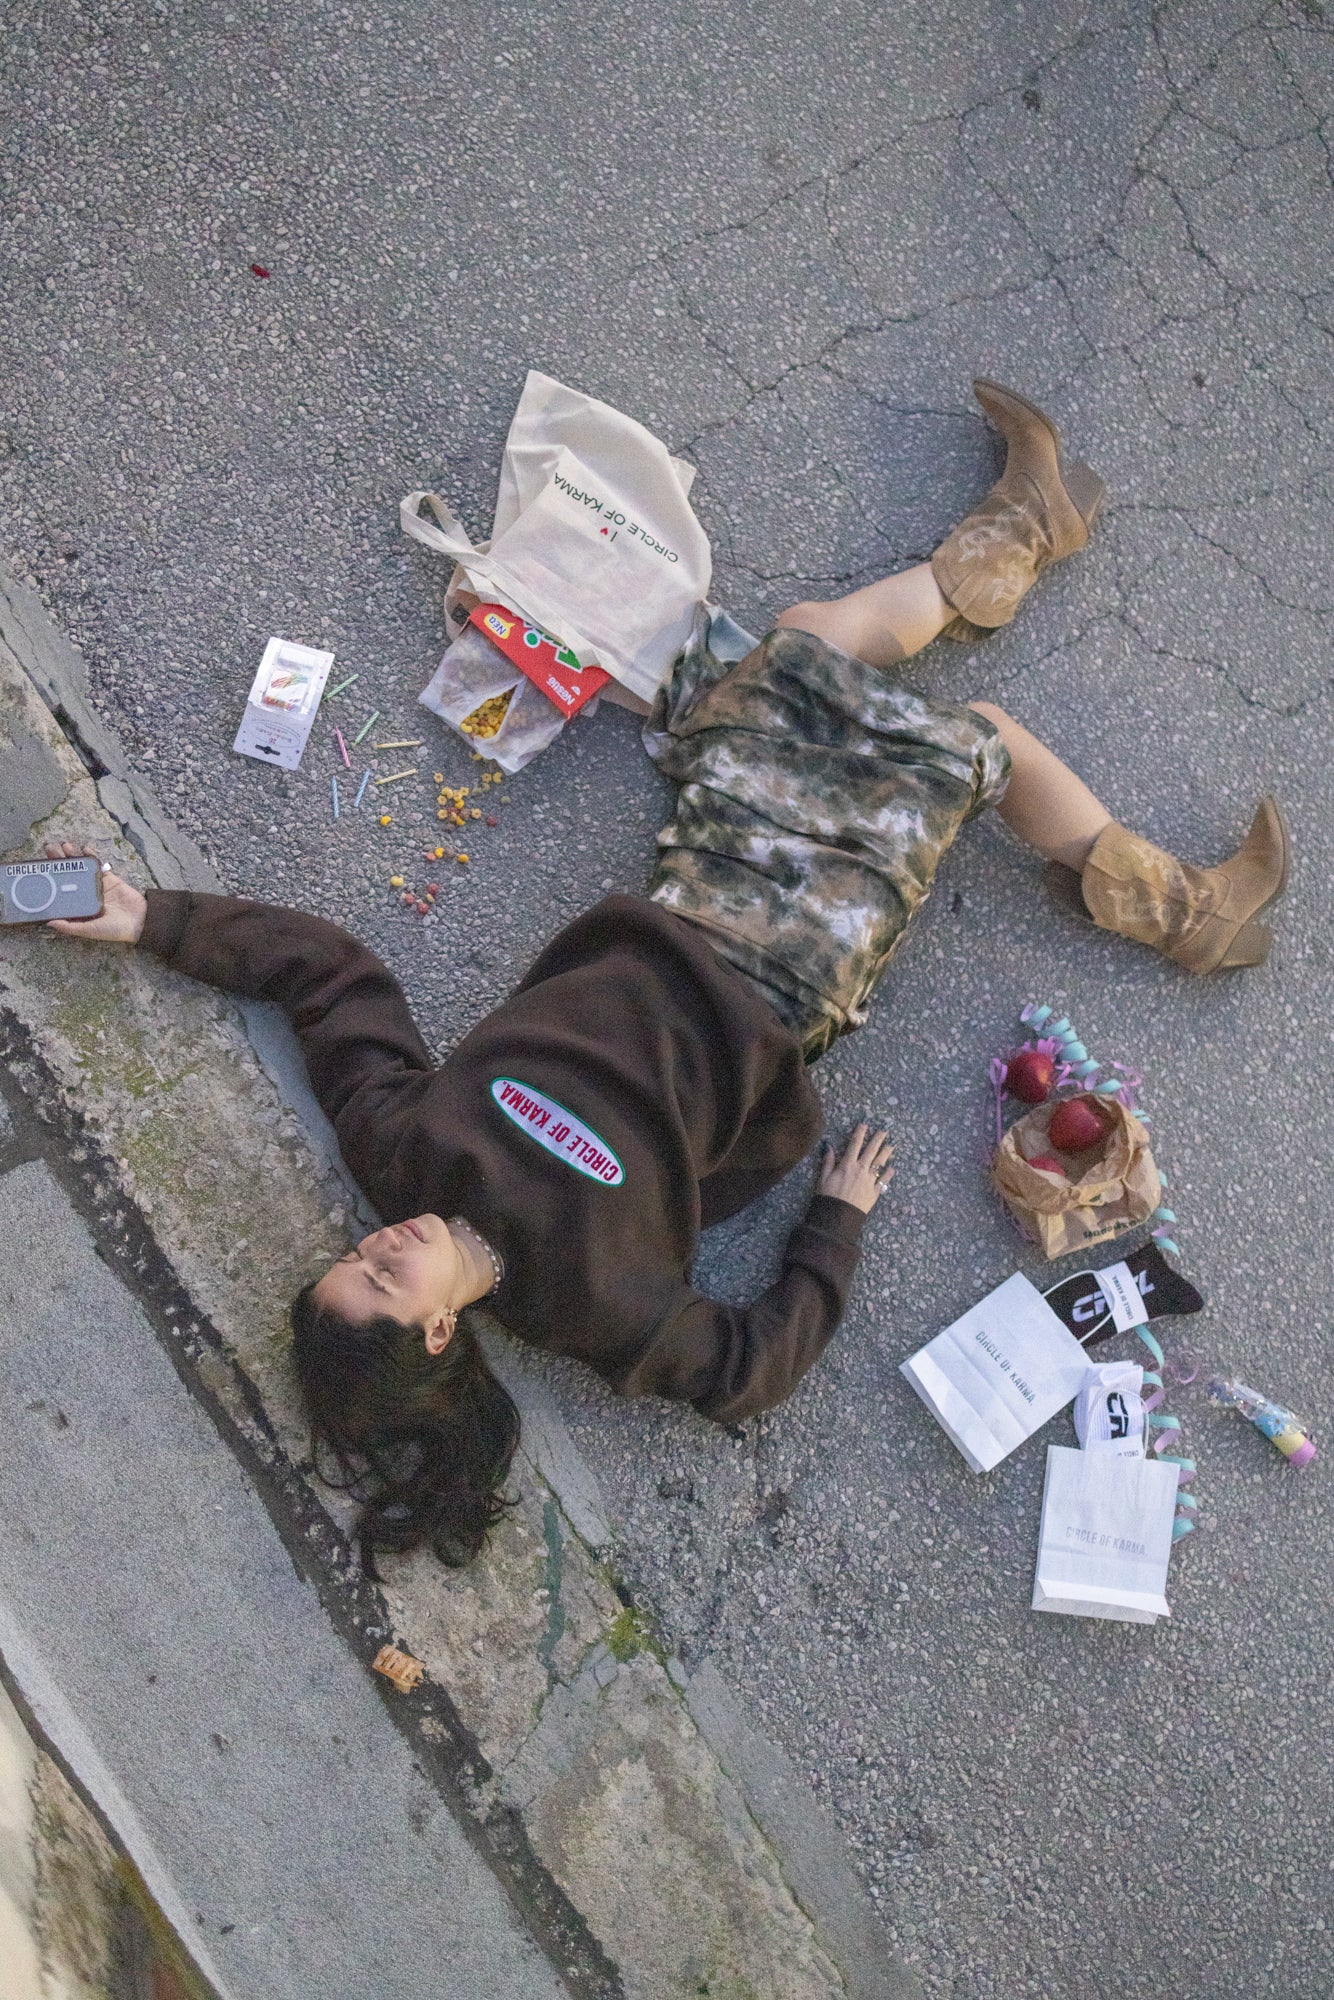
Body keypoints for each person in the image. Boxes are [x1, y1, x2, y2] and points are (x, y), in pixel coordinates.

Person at [46, 380, 1289, 1570]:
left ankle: (1019, 534)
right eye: (384, 1272)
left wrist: (154, 916)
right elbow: (750, 1371)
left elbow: (330, 978)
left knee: (798, 649)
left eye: (356, 1249)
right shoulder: (597, 1307)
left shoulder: (400, 1150)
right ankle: (1189, 913)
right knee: (975, 744)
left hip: (683, 896)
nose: (384, 1238)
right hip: (788, 972)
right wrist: (834, 1223)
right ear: (435, 1328)